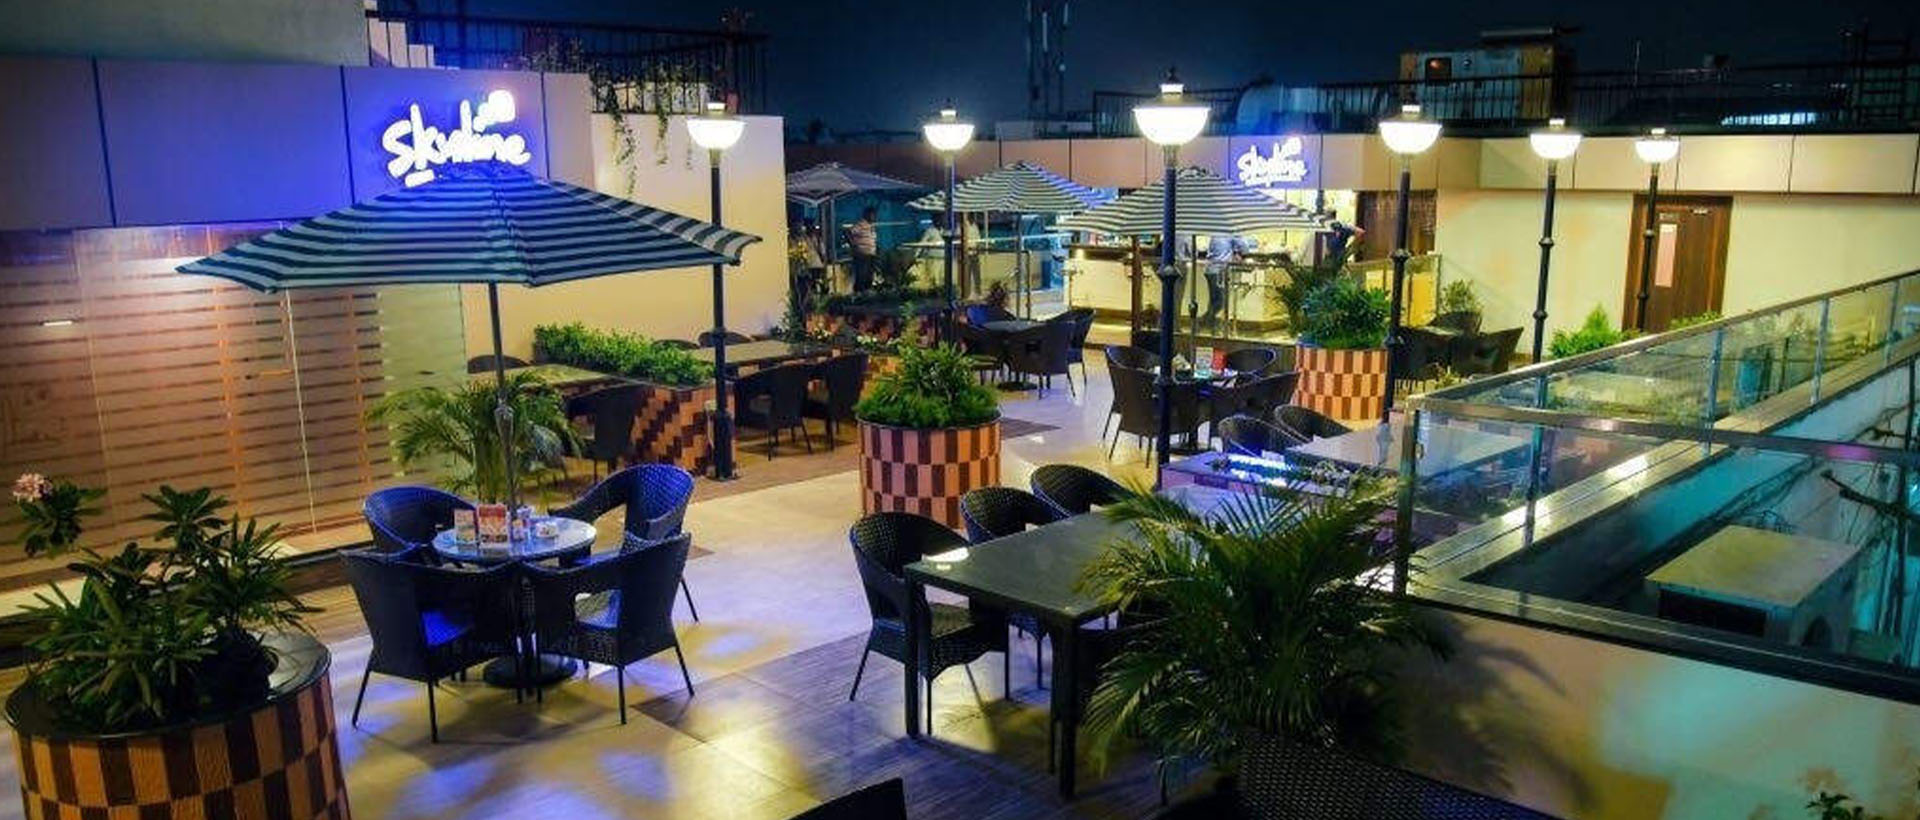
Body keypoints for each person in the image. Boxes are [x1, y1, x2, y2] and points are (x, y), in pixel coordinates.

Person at [845, 207, 879, 292]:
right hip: (862, 254)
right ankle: (859, 293)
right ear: (867, 215)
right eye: (872, 215)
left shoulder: (871, 226)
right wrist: (853, 244)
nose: (874, 217)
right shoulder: (861, 224)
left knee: (869, 275)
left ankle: (867, 292)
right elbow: (848, 232)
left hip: (871, 254)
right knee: (861, 275)